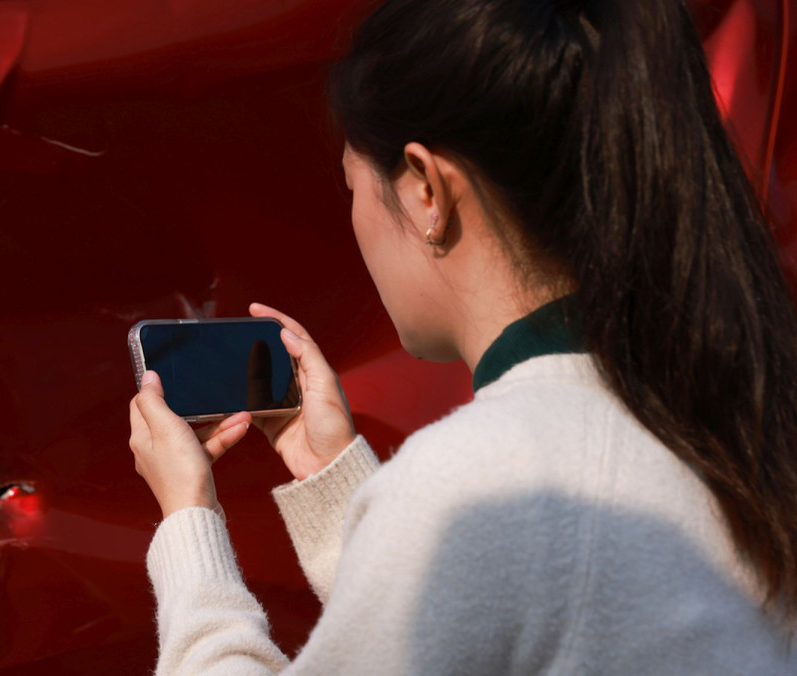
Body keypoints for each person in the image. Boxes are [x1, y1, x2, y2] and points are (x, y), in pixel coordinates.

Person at [126, 0, 797, 672]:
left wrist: (188, 521)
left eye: (352, 184)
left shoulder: (483, 482)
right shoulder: (722, 426)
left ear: (426, 190)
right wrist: (337, 485)